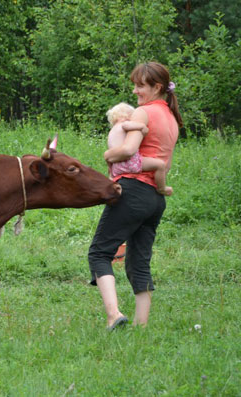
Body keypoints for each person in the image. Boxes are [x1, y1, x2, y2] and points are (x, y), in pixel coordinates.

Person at [88, 62, 182, 330]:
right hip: (155, 198)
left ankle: (113, 314)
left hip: (133, 191)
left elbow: (128, 151)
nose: (135, 90)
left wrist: (107, 155)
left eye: (141, 85)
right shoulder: (172, 119)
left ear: (157, 87)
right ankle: (141, 327)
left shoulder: (144, 113)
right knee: (138, 262)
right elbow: (163, 163)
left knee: (99, 252)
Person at [106, 102, 173, 196]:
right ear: (127, 115)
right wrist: (142, 127)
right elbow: (127, 126)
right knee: (160, 165)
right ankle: (162, 188)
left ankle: (111, 178)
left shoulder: (112, 131)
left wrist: (111, 172)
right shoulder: (124, 124)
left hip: (116, 167)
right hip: (129, 162)